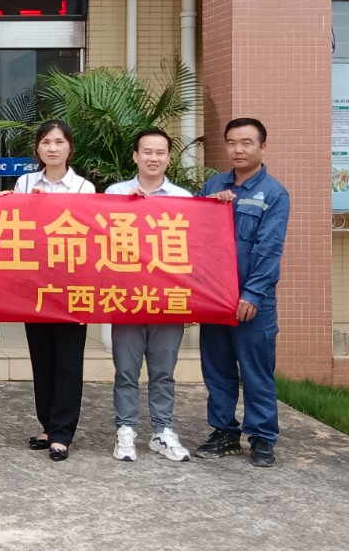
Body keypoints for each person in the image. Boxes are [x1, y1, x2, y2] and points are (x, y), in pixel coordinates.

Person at [195, 118, 290, 468]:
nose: (238, 149)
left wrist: (252, 294)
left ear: (263, 147)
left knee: (255, 370)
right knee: (217, 368)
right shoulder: (213, 185)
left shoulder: (274, 193)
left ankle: (262, 437)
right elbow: (189, 231)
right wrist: (209, 204)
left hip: (251, 301)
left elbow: (269, 248)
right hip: (214, 297)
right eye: (232, 143)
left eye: (247, 143)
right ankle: (224, 431)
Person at [102, 129, 194, 463]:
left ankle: (162, 431)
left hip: (168, 300)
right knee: (126, 371)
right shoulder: (115, 193)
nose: (153, 158)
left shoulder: (184, 198)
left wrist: (195, 301)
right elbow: (100, 242)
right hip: (126, 298)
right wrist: (128, 207)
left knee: (163, 371)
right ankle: (125, 429)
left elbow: (195, 251)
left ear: (169, 158)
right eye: (147, 152)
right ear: (135, 156)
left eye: (160, 152)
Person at [14, 121, 94, 462]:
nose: (52, 148)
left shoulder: (84, 187)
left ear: (69, 148)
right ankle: (47, 425)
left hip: (73, 286)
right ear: (38, 148)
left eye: (59, 142)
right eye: (46, 142)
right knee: (42, 359)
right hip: (36, 285)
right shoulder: (25, 183)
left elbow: (90, 234)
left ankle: (63, 433)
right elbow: (14, 226)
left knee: (68, 362)